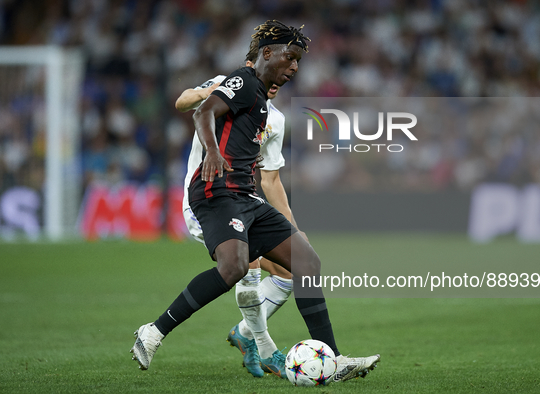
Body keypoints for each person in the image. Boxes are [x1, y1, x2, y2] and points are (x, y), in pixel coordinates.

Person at [130, 20, 380, 383]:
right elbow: (199, 111)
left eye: (298, 61)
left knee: (306, 261)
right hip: (216, 190)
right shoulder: (242, 82)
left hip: (245, 196)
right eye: (290, 58)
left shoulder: (264, 103)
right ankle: (154, 332)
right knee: (235, 268)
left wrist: (290, 221)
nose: (295, 67)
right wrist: (213, 153)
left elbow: (270, 176)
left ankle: (333, 359)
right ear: (267, 53)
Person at [174, 42, 298, 378]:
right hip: (208, 199)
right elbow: (183, 101)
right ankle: (265, 347)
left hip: (244, 201)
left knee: (289, 272)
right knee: (249, 265)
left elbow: (271, 181)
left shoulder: (276, 120)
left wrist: (293, 232)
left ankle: (243, 334)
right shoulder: (226, 87)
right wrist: (212, 91)